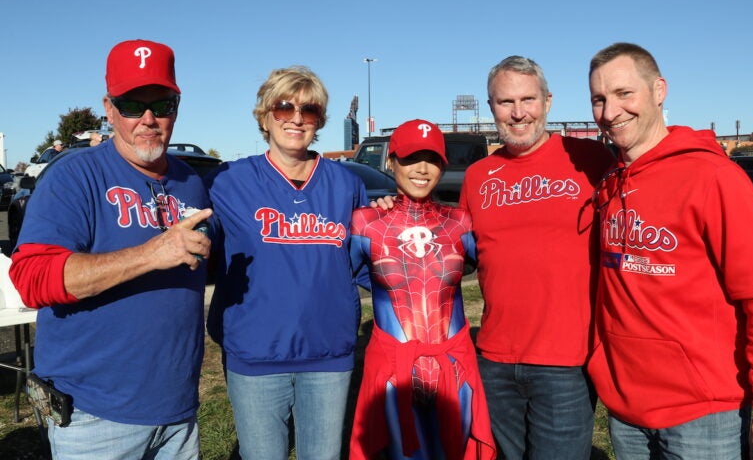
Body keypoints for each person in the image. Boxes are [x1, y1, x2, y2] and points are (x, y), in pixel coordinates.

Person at [9, 39, 213, 459]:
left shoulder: (189, 180)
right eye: (132, 104)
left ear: (178, 105)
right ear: (109, 107)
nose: (149, 118)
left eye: (162, 102)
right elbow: (32, 279)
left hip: (177, 409)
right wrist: (150, 254)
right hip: (95, 417)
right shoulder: (73, 176)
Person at [587, 42, 753, 459]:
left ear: (659, 90)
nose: (610, 111)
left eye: (623, 93)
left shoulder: (713, 176)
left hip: (703, 413)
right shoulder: (610, 181)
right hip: (625, 406)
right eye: (599, 98)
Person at [206, 66, 367, 460]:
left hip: (328, 353)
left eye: (308, 111)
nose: (296, 118)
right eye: (284, 107)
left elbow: (367, 263)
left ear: (319, 121)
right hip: (256, 352)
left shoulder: (347, 184)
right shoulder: (228, 181)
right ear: (265, 115)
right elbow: (198, 248)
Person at [459, 56, 614, 459]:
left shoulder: (591, 160)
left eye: (528, 99)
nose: (517, 112)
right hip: (495, 359)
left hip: (567, 362)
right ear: (491, 106)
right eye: (504, 101)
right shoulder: (478, 176)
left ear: (548, 101)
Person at [348, 119, 496, 460]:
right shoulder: (365, 223)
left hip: (454, 369)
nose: (422, 169)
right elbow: (344, 275)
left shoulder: (461, 223)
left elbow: (502, 267)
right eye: (411, 158)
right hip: (393, 371)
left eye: (433, 159)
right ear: (391, 162)